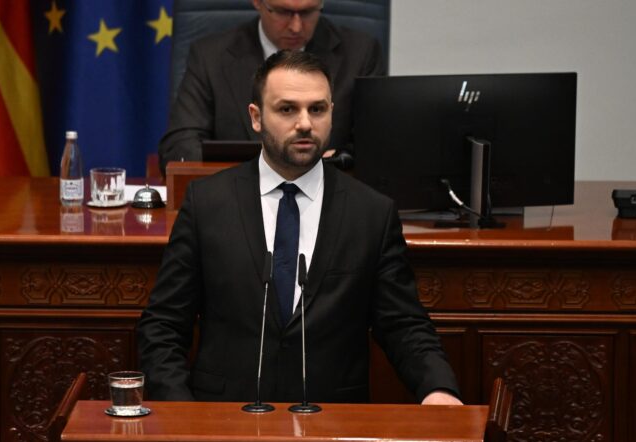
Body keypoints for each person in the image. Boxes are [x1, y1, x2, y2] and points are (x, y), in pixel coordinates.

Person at [138, 50, 462, 405]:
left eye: (317, 109)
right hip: (227, 416)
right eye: (287, 109)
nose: (305, 123)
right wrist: (181, 413)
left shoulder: (371, 213)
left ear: (332, 113)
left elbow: (403, 324)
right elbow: (164, 325)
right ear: (256, 117)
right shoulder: (207, 203)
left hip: (331, 419)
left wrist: (438, 389)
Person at [158, 0, 384, 174]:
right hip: (234, 198)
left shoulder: (360, 53)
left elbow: (375, 147)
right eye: (283, 12)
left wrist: (340, 160)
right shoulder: (210, 56)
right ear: (258, 2)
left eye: (307, 12)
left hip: (328, 198)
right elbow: (179, 147)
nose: (296, 26)